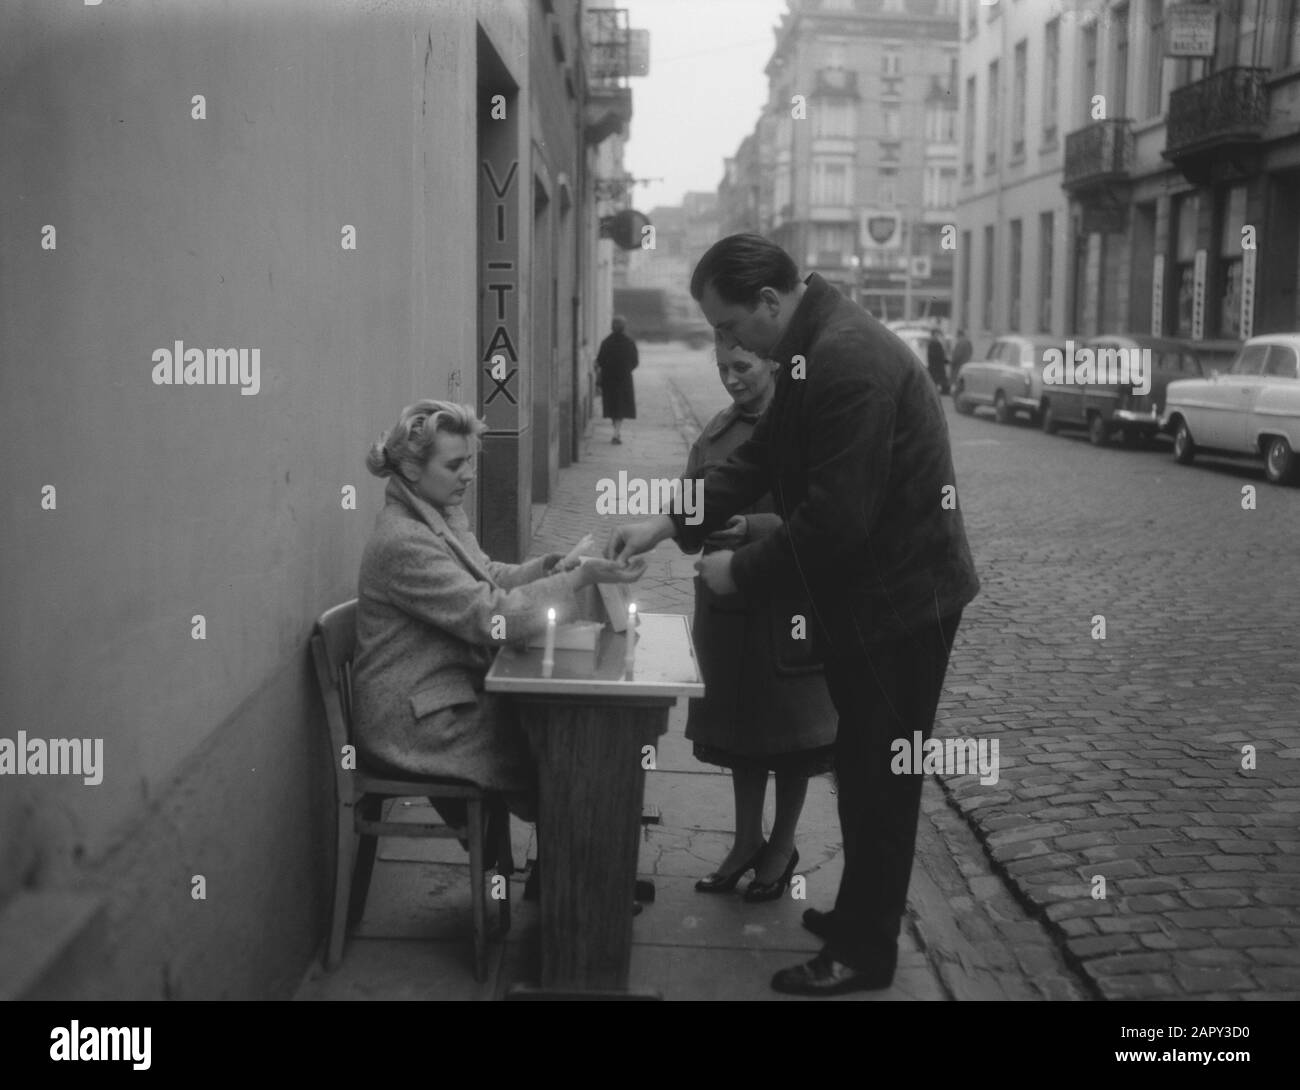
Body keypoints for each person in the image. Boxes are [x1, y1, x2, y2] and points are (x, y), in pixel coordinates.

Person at [607, 234, 979, 996]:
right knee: (861, 767)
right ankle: (855, 919)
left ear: (771, 303)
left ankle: (863, 953)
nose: (725, 342)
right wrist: (662, 522)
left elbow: (835, 521)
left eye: (728, 326)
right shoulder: (813, 348)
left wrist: (738, 571)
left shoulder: (845, 361)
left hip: (903, 607)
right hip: (872, 602)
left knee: (880, 778)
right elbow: (754, 465)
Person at [352, 399, 644, 820]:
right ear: (412, 470)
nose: (468, 475)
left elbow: (485, 574)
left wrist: (551, 568)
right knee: (560, 745)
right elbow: (492, 618)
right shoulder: (403, 540)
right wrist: (578, 579)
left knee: (564, 737)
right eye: (454, 466)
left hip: (443, 698)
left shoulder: (439, 510)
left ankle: (568, 858)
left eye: (469, 461)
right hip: (416, 724)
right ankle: (573, 858)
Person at [684, 338, 837, 902]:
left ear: (773, 363)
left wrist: (755, 529)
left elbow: (825, 514)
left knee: (792, 735)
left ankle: (782, 844)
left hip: (786, 605)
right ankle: (745, 840)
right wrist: (699, 528)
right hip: (727, 611)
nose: (731, 379)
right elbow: (690, 505)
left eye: (742, 367)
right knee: (741, 733)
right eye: (722, 368)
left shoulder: (806, 427)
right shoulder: (716, 433)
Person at [595, 316, 638, 444]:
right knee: (621, 407)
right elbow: (635, 362)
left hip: (609, 380)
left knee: (613, 407)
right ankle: (616, 432)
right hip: (624, 380)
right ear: (624, 327)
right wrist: (626, 369)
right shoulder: (629, 342)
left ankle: (616, 432)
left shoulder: (606, 342)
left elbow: (600, 360)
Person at [926, 328, 950, 394]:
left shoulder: (936, 342)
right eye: (936, 334)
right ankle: (942, 390)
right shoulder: (933, 343)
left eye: (937, 334)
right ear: (933, 335)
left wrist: (944, 360)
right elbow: (933, 354)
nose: (937, 336)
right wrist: (943, 359)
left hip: (937, 364)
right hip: (935, 365)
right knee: (937, 379)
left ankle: (943, 390)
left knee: (938, 379)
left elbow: (940, 354)